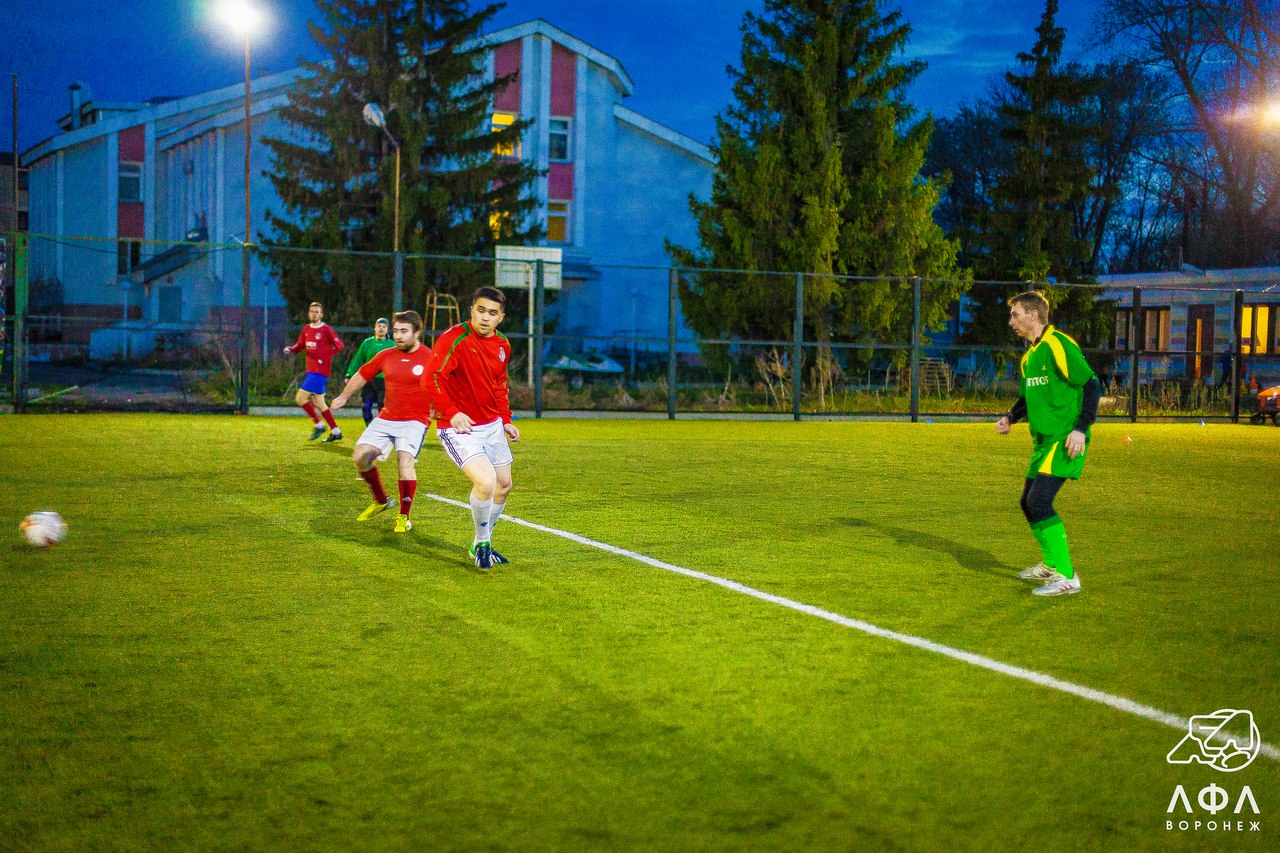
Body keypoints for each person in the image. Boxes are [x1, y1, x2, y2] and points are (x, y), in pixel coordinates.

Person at [995, 291, 1101, 597]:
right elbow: (1029, 397)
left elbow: (1092, 384)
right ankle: (1051, 564)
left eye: (1015, 314)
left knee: (1039, 502)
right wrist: (1011, 418)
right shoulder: (1029, 356)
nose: (1011, 320)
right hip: (1043, 441)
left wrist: (1081, 428)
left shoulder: (1058, 344)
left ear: (1033, 315)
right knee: (1027, 502)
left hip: (1065, 437)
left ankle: (1067, 575)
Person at [422, 287, 520, 570]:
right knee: (486, 482)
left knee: (503, 486)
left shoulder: (503, 345)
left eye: (492, 313)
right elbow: (430, 380)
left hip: (492, 426)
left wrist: (506, 420)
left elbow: (499, 386)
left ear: (501, 317)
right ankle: (482, 543)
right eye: (480, 310)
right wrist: (452, 413)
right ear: (471, 310)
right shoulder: (454, 339)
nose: (485, 318)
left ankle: (481, 542)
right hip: (459, 428)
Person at [330, 311, 433, 534]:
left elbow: (447, 384)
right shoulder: (386, 355)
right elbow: (362, 374)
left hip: (415, 420)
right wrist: (344, 396)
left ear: (417, 333)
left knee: (404, 462)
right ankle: (381, 500)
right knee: (360, 456)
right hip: (387, 417)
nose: (398, 336)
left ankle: (404, 516)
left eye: (404, 331)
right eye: (396, 331)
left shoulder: (430, 357)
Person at [283, 301, 345, 441]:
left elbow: (339, 345)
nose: (314, 314)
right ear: (309, 313)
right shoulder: (306, 329)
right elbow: (300, 346)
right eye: (312, 311)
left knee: (299, 398)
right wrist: (291, 349)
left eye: (317, 312)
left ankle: (318, 425)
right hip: (311, 371)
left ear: (321, 314)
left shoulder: (326, 329)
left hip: (320, 372)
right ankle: (336, 431)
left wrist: (325, 356)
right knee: (319, 403)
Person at [345, 317, 396, 425]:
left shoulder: (392, 345)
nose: (381, 328)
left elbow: (396, 364)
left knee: (382, 407)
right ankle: (369, 427)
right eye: (379, 326)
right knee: (366, 406)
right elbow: (358, 359)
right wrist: (349, 375)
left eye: (384, 326)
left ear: (387, 330)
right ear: (375, 328)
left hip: (384, 381)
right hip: (369, 380)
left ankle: (382, 430)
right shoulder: (367, 343)